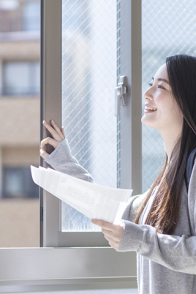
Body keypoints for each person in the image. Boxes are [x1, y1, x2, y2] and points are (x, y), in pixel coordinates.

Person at [40, 54, 196, 294]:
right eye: (151, 83)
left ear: (187, 99)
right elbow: (109, 209)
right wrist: (62, 160)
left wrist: (141, 239)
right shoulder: (165, 182)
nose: (147, 93)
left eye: (161, 86)